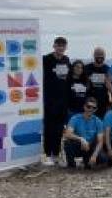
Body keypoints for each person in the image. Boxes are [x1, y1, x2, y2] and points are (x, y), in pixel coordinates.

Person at [42, 36, 70, 166]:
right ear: (54, 46)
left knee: (59, 129)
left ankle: (57, 154)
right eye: (58, 45)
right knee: (49, 128)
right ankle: (47, 154)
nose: (60, 48)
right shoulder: (46, 59)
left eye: (63, 46)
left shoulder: (66, 60)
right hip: (49, 99)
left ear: (65, 47)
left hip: (62, 100)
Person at [63, 97, 106, 169]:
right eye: (88, 107)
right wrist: (81, 139)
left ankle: (87, 161)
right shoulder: (75, 118)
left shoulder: (98, 121)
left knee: (103, 159)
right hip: (79, 145)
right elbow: (67, 134)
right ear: (84, 107)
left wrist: (94, 155)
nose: (91, 109)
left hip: (91, 146)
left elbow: (100, 141)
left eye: (93, 108)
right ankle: (71, 165)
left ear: (96, 110)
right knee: (67, 143)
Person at [85, 47, 111, 119]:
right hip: (89, 100)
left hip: (103, 101)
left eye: (102, 55)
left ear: (105, 56)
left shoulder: (107, 69)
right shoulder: (87, 68)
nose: (100, 56)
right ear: (94, 55)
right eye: (97, 54)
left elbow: (110, 85)